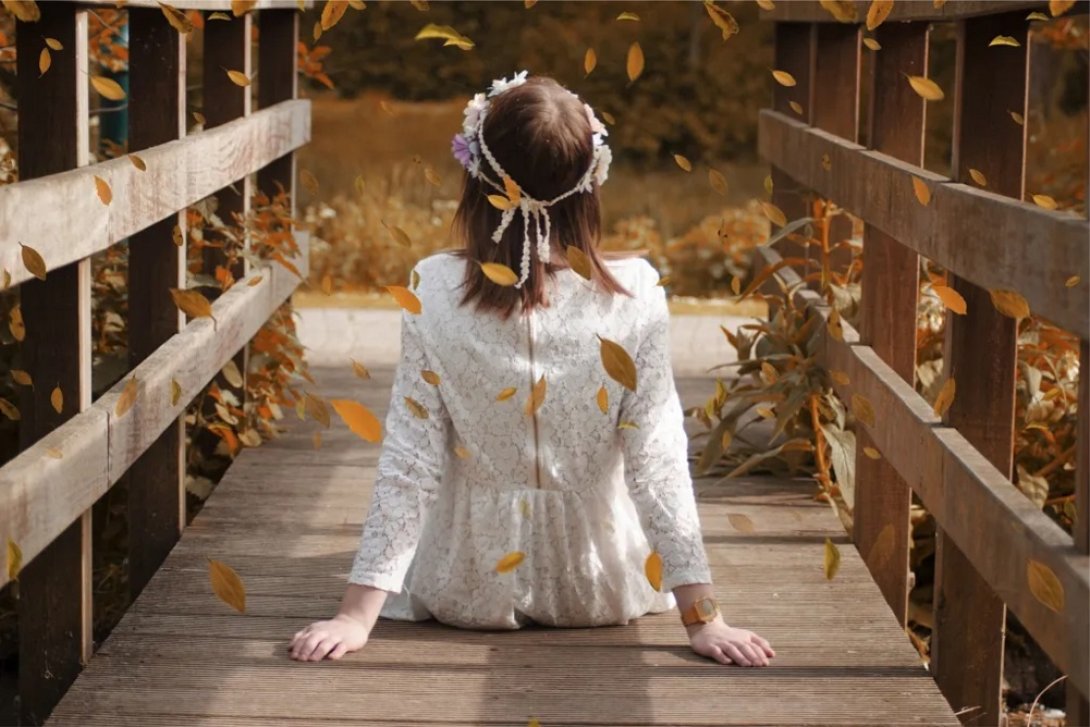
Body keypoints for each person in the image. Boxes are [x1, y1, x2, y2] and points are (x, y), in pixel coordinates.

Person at [289, 72, 775, 668]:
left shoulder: (433, 288)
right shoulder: (637, 293)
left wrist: (354, 615)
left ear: (476, 177)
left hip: (466, 586)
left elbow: (410, 460)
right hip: (598, 585)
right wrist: (704, 618)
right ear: (591, 182)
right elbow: (658, 459)